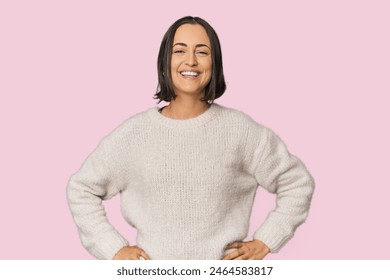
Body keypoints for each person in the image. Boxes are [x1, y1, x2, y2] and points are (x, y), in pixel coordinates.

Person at [67, 16, 315, 260]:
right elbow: (81, 189)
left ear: (214, 63)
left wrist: (267, 240)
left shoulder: (240, 130)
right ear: (165, 61)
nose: (191, 61)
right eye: (179, 50)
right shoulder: (134, 135)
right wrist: (112, 248)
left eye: (202, 52)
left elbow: (296, 182)